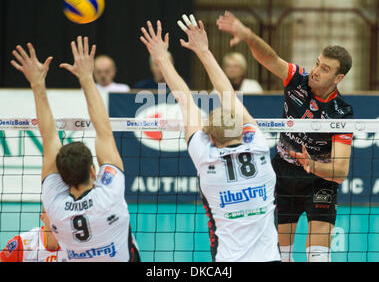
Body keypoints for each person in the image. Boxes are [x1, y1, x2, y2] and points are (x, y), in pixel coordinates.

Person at [140, 15, 280, 262]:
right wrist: (204, 51)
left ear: (211, 138)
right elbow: (228, 95)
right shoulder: (259, 146)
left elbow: (184, 99)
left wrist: (161, 57)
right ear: (241, 130)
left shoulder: (205, 157)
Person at [217, 11, 354, 262]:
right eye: (316, 63)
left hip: (319, 179)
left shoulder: (342, 112)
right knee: (282, 255)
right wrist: (248, 36)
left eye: (324, 69)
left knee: (318, 256)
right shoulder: (297, 80)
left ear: (338, 78)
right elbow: (269, 58)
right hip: (283, 174)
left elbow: (341, 171)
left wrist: (312, 165)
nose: (315, 71)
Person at [10, 38, 140, 262]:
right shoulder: (110, 194)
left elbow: (49, 138)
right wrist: (87, 78)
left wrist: (37, 83)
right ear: (93, 170)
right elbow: (104, 131)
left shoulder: (54, 207)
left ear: (62, 176)